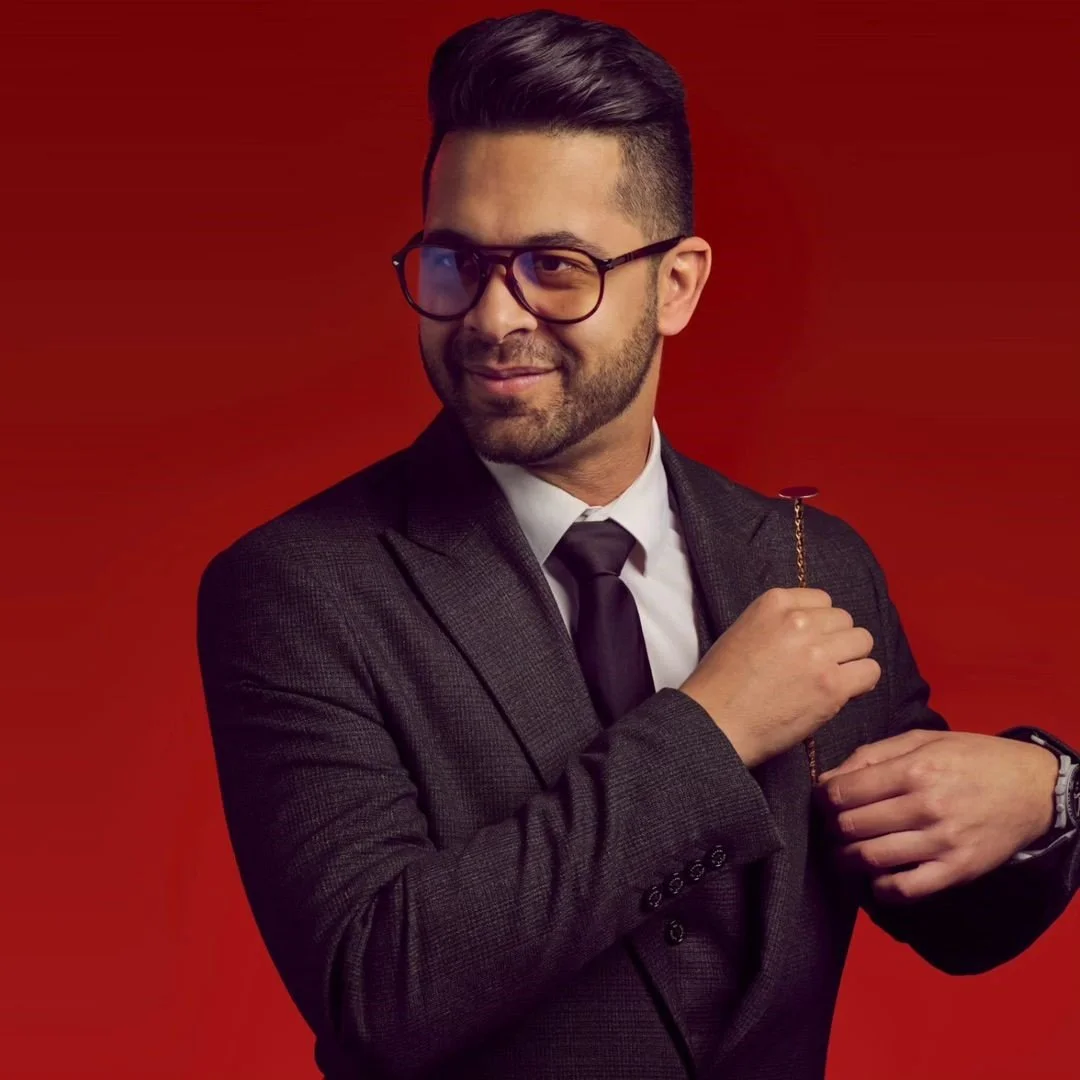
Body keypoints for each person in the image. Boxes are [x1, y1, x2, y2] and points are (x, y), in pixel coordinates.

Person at [195, 10, 1080, 1079]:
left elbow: (951, 917)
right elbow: (378, 988)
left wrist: (1051, 792)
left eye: (555, 266)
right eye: (452, 262)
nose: (489, 315)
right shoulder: (298, 588)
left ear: (677, 285)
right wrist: (712, 727)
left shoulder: (809, 558)